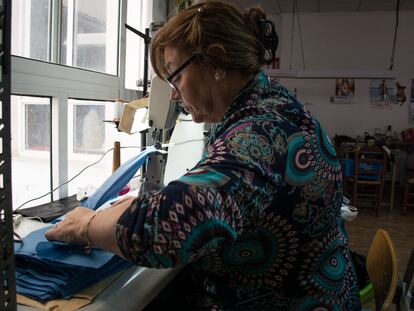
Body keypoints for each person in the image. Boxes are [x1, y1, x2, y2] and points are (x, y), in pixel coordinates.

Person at [45, 1, 361, 309]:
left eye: (175, 75)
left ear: (216, 62)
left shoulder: (260, 132)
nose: (172, 93)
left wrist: (88, 225)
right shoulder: (274, 106)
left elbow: (164, 229)